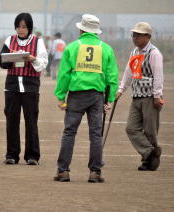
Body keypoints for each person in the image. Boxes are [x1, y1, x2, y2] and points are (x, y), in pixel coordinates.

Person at [53, 14, 118, 183]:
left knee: (69, 132)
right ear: (96, 31)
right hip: (97, 96)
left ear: (81, 29)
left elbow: (64, 75)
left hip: (76, 95)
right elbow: (112, 77)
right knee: (96, 134)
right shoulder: (106, 49)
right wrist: (109, 99)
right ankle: (95, 172)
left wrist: (61, 96)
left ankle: (63, 171)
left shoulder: (72, 47)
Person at [0, 13, 48, 165]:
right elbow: (2, 61)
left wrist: (32, 59)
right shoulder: (10, 40)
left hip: (30, 85)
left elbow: (43, 62)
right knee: (12, 120)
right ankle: (11, 154)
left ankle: (32, 155)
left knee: (31, 120)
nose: (21, 30)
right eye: (19, 26)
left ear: (30, 28)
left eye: (24, 27)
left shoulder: (37, 42)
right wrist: (9, 57)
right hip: (12, 85)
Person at [116, 22, 164, 171]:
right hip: (136, 96)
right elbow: (128, 74)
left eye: (138, 35)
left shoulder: (154, 53)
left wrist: (157, 96)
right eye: (133, 35)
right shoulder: (134, 53)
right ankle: (150, 152)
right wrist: (120, 90)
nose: (134, 38)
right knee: (131, 128)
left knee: (150, 131)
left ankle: (148, 161)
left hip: (150, 97)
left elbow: (158, 76)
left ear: (148, 37)